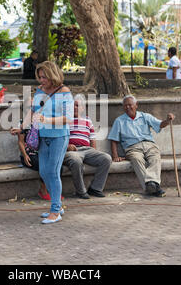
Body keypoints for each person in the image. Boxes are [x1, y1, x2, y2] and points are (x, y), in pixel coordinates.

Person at [15, 61, 73, 224]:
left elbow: (68, 118)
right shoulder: (40, 90)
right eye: (39, 77)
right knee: (44, 172)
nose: (41, 80)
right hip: (42, 136)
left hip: (59, 137)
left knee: (53, 172)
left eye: (44, 77)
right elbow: (33, 112)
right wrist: (21, 128)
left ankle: (55, 211)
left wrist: (46, 119)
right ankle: (57, 204)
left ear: (52, 75)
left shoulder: (64, 92)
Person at [108, 95, 175, 197]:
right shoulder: (119, 121)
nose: (127, 107)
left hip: (149, 145)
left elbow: (160, 124)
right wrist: (115, 156)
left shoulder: (145, 116)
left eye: (130, 105)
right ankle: (154, 187)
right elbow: (113, 139)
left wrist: (167, 120)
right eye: (125, 106)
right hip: (132, 148)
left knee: (155, 157)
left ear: (136, 105)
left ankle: (151, 185)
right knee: (136, 159)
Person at [63, 98, 112, 199]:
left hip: (87, 149)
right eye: (73, 105)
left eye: (77, 105)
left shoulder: (88, 120)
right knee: (76, 160)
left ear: (82, 108)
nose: (74, 107)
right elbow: (59, 138)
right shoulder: (64, 120)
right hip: (72, 150)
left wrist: (94, 150)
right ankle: (80, 191)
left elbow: (92, 138)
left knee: (106, 158)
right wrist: (67, 146)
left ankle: (95, 188)